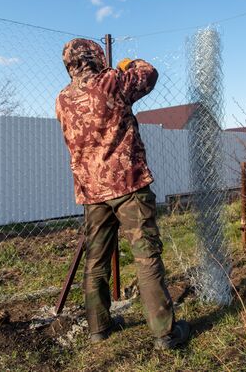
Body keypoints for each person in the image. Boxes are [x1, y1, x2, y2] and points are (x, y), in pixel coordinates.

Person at [56, 38, 189, 349]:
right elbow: (150, 74)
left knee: (96, 260)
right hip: (128, 185)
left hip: (91, 192)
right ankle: (165, 333)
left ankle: (99, 328)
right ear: (95, 56)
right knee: (146, 256)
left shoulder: (62, 98)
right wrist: (129, 63)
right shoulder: (112, 81)